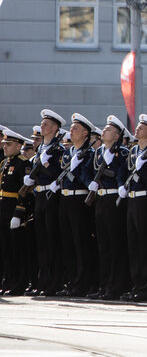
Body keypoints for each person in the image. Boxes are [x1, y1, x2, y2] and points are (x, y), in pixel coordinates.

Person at [87, 115, 130, 300]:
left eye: (109, 130)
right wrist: (89, 183)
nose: (104, 131)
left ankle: (116, 286)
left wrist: (111, 161)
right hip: (100, 200)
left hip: (114, 199)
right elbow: (87, 171)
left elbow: (121, 173)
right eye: (104, 128)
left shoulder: (122, 153)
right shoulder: (97, 152)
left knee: (115, 245)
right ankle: (104, 285)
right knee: (103, 246)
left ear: (117, 136)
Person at [121, 114, 147, 303]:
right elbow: (123, 172)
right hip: (131, 200)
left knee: (146, 245)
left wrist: (143, 169)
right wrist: (122, 184)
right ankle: (137, 285)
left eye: (141, 127)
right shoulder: (133, 152)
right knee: (133, 246)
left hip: (146, 201)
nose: (136, 129)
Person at [24, 109, 66, 296]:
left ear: (55, 128)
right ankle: (43, 281)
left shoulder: (59, 150)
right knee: (41, 241)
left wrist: (47, 165)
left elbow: (61, 174)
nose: (42, 126)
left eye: (46, 124)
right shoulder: (41, 148)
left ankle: (54, 282)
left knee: (52, 240)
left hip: (51, 196)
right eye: (42, 124)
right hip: (39, 196)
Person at [56, 113, 97, 297]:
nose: (71, 132)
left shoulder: (89, 154)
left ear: (85, 133)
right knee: (67, 243)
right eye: (71, 128)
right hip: (65, 199)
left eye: (75, 129)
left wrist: (77, 168)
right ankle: (72, 281)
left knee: (81, 243)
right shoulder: (68, 153)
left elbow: (87, 179)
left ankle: (84, 282)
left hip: (79, 200)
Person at [0, 129, 33, 295]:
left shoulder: (23, 164)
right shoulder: (5, 163)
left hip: (14, 210)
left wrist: (19, 213)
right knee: (5, 249)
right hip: (3, 210)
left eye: (9, 144)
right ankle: (8, 280)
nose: (5, 147)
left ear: (19, 145)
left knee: (17, 250)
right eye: (4, 144)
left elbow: (24, 191)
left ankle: (19, 283)